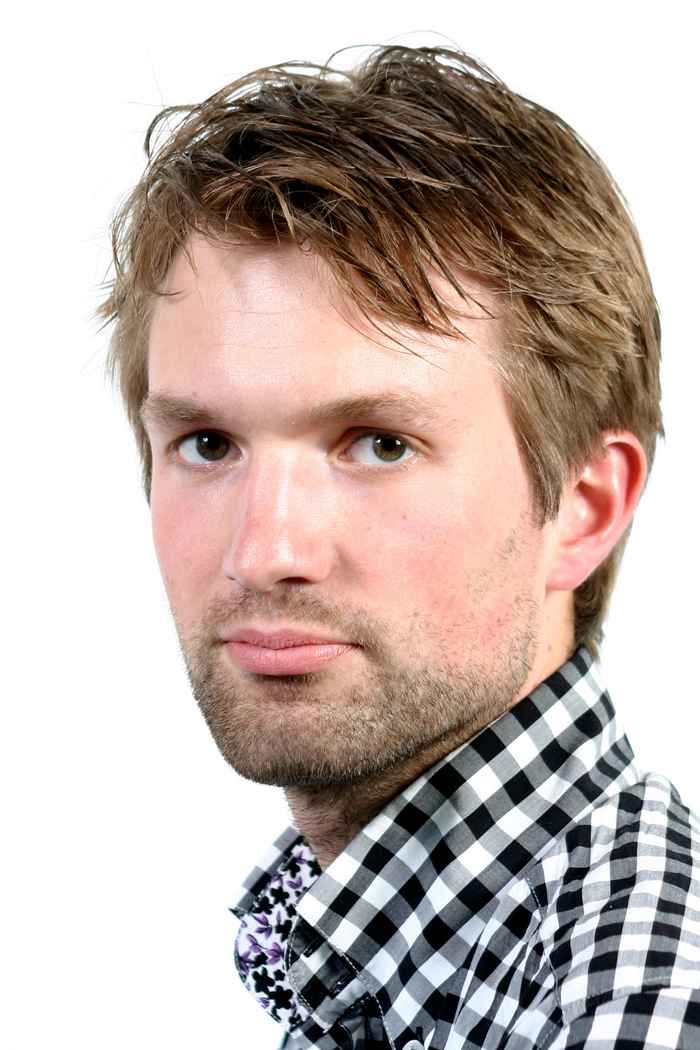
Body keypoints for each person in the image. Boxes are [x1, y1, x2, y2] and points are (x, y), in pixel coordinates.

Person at [99, 44, 700, 1050]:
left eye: (379, 444)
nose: (264, 549)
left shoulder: (637, 1000)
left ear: (584, 508)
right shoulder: (393, 971)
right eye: (207, 444)